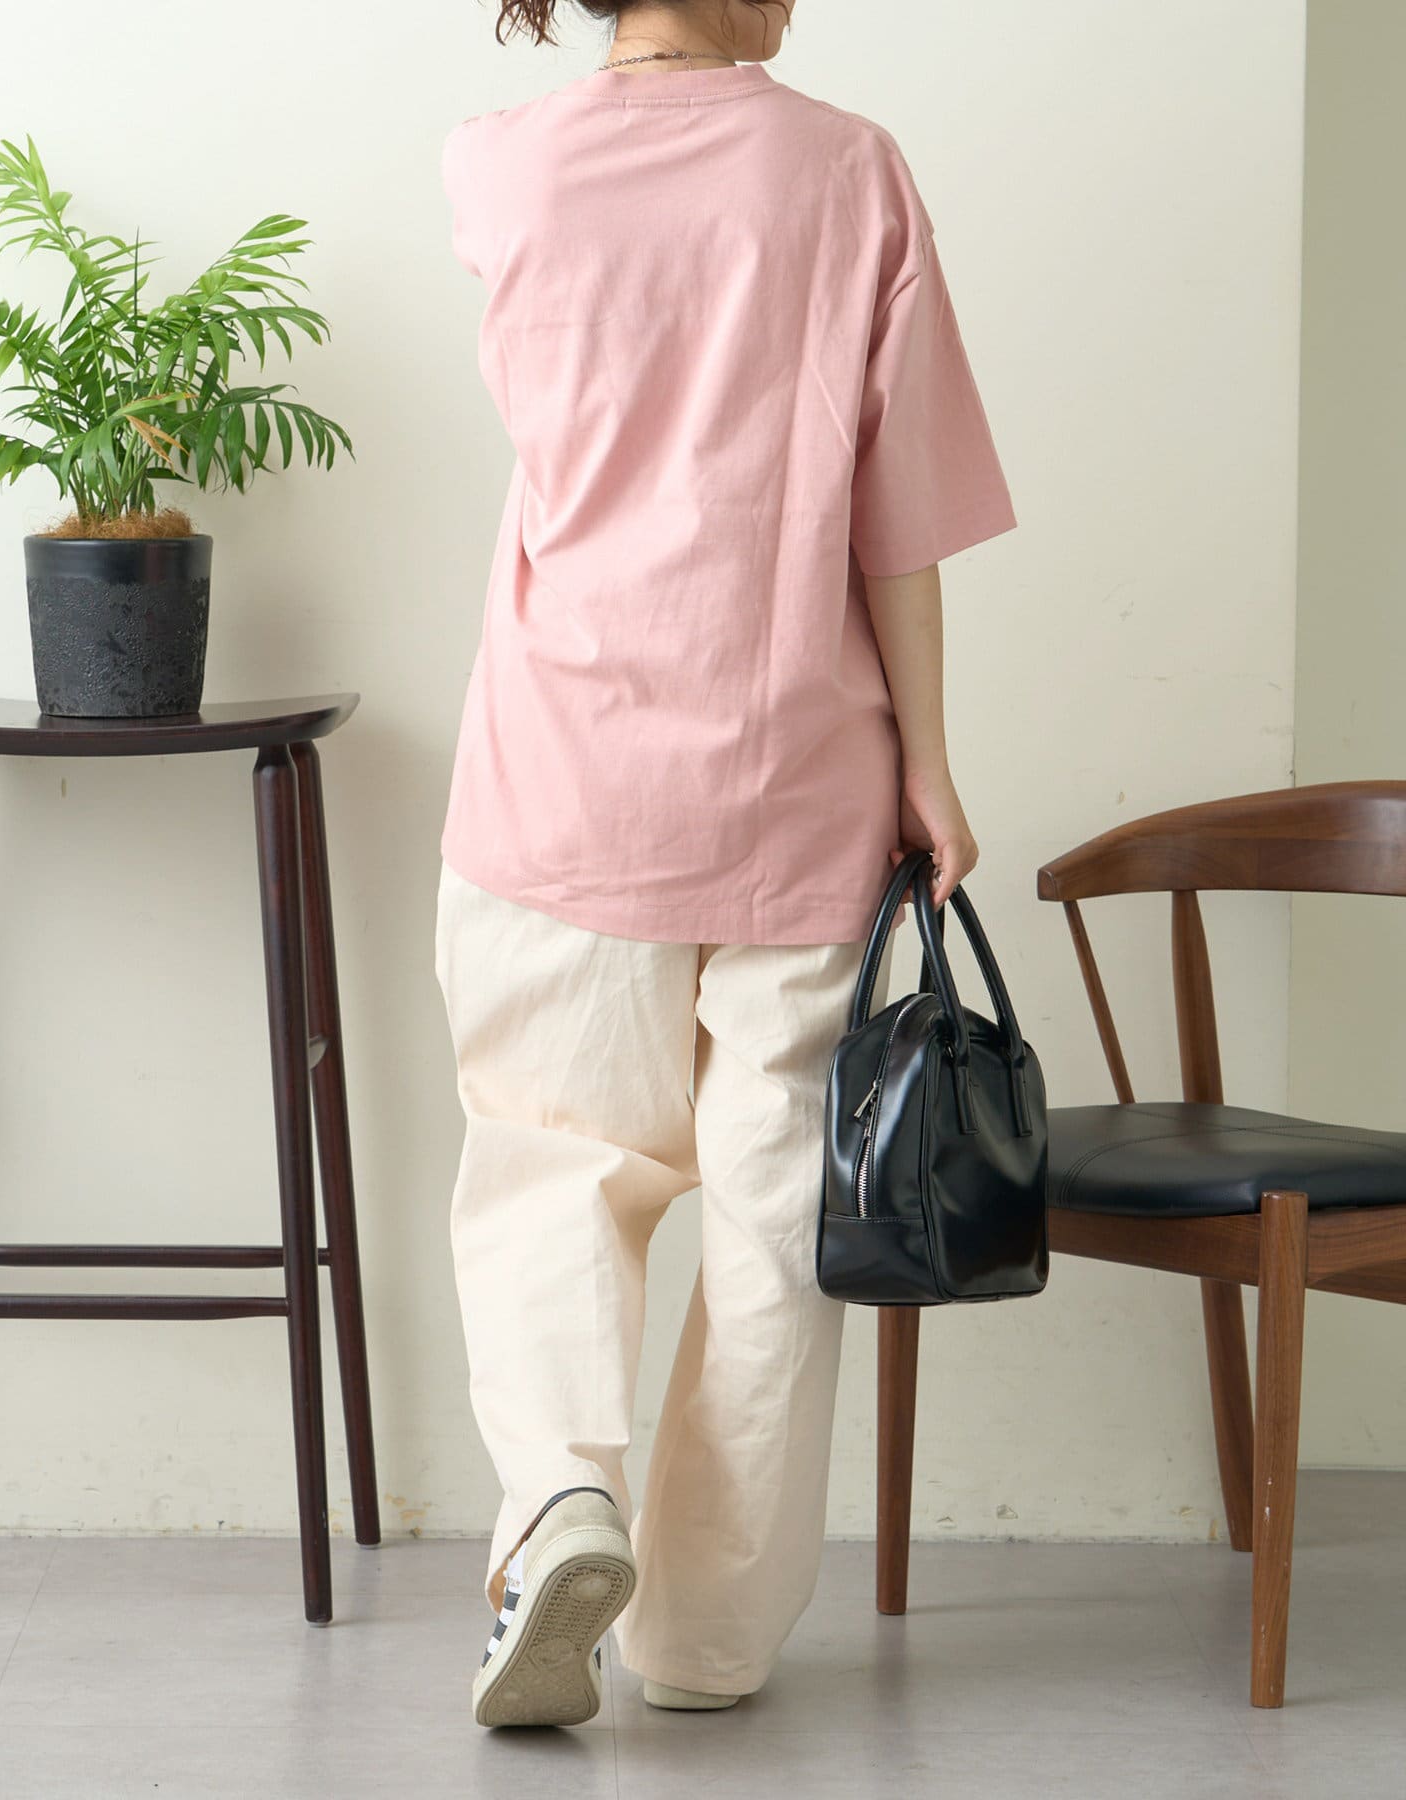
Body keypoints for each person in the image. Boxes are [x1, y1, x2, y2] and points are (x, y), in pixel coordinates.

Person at [434, 0, 1016, 1729]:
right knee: (774, 1225)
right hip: (795, 785)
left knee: (551, 1167)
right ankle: (701, 1645)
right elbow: (895, 516)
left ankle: (561, 1503)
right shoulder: (848, 172)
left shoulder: (500, 167)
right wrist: (928, 761)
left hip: (560, 777)